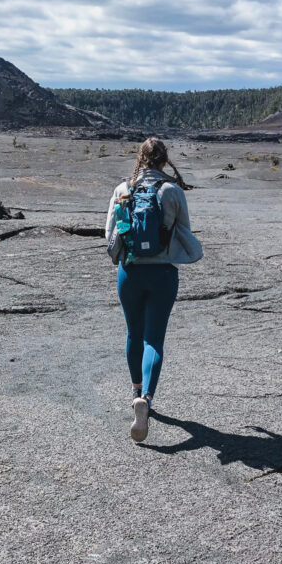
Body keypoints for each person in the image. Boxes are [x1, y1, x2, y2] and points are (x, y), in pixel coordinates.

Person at [105, 137, 202, 443]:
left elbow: (109, 234)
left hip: (130, 272)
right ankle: (146, 398)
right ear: (164, 160)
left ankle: (135, 390)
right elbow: (183, 229)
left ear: (140, 158)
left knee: (133, 333)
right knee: (154, 339)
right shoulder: (172, 191)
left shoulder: (123, 190)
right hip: (163, 274)